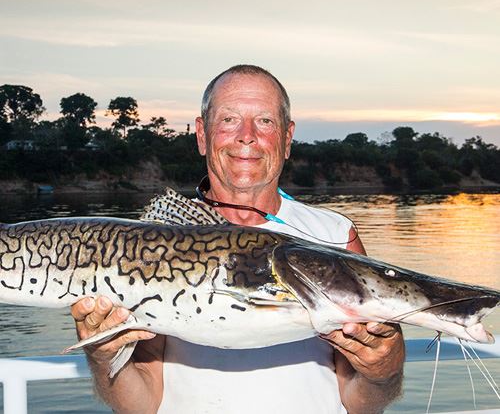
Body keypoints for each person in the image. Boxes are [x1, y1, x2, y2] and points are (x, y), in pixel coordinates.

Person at [72, 65, 405, 413]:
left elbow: (362, 404)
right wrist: (103, 353)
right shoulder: (154, 243)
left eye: (264, 121)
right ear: (202, 135)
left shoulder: (335, 236)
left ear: (287, 138)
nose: (247, 136)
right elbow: (140, 405)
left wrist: (382, 370)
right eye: (229, 119)